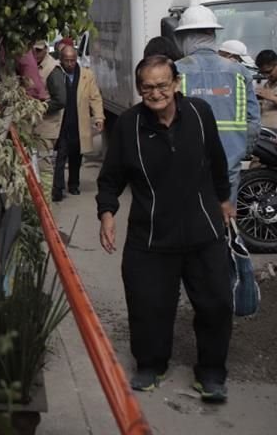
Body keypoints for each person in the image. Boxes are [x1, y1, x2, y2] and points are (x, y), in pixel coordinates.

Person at [97, 55, 234, 403]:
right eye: (147, 87)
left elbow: (217, 160)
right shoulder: (129, 125)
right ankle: (150, 365)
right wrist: (107, 214)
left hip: (203, 231)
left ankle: (212, 373)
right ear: (140, 89)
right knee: (147, 305)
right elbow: (110, 179)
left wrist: (223, 200)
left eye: (162, 85)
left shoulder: (200, 114)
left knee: (216, 303)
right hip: (152, 235)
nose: (155, 93)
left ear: (175, 84)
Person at [174, 5, 260, 205]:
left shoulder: (176, 70)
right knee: (225, 219)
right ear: (213, 34)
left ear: (184, 37)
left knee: (192, 221)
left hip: (187, 166)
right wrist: (243, 150)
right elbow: (253, 122)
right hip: (229, 164)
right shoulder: (240, 72)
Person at [53, 45, 105, 202]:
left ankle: (74, 184)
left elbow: (94, 97)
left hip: (78, 121)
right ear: (61, 60)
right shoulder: (56, 74)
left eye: (73, 60)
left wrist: (99, 117)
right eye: (67, 61)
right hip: (61, 122)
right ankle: (58, 188)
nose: (70, 64)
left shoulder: (86, 75)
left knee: (76, 155)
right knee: (61, 155)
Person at [32, 40, 67, 167]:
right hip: (36, 127)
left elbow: (60, 100)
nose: (35, 53)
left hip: (47, 128)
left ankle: (46, 188)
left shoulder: (52, 69)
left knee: (44, 166)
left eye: (38, 50)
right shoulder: (33, 65)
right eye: (33, 50)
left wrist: (38, 108)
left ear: (46, 49)